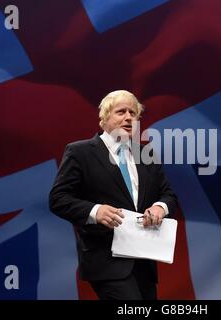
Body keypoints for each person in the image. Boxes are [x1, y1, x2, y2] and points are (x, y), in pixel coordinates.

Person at [49, 90, 178, 300]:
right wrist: (94, 211)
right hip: (106, 259)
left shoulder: (146, 155)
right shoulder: (80, 152)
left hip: (144, 259)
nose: (128, 117)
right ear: (104, 118)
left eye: (133, 113)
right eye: (121, 112)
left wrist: (160, 207)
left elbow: (168, 195)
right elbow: (58, 198)